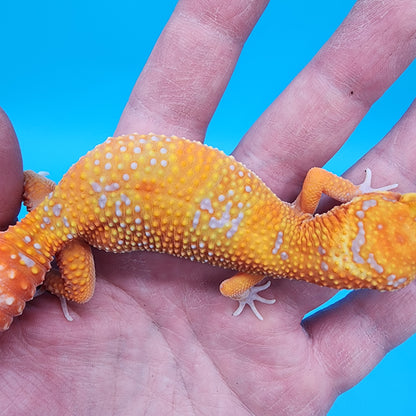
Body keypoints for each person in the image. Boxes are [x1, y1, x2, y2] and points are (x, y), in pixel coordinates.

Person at [1, 0, 416, 414]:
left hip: (86, 190)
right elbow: (230, 287)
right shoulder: (262, 267)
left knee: (46, 212)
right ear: (342, 279)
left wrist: (356, 196)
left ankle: (33, 226)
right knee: (82, 290)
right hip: (87, 215)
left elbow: (318, 180)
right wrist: (251, 291)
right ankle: (43, 274)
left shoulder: (301, 213)